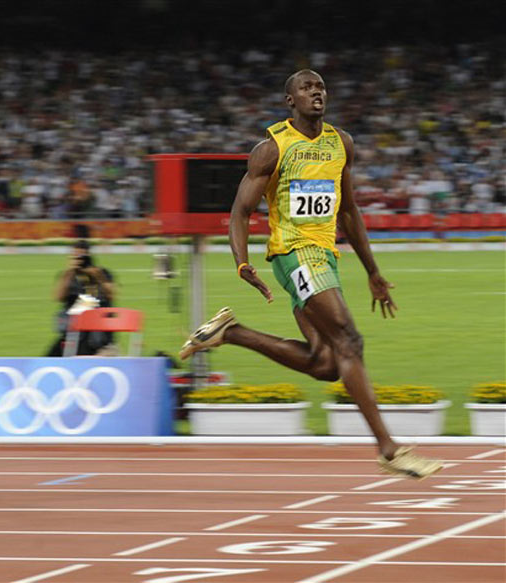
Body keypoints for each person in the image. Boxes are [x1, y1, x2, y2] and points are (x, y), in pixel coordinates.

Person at [180, 70, 442, 480]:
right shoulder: (272, 149)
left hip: (325, 257)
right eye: (306, 88)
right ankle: (389, 449)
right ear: (290, 101)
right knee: (349, 340)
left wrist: (373, 272)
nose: (316, 93)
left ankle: (231, 332)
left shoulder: (341, 143)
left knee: (327, 364)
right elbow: (241, 212)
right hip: (293, 255)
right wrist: (241, 262)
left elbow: (348, 211)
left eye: (320, 87)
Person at [46, 239, 116, 356]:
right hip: (72, 330)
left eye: (82, 256)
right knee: (50, 358)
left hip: (98, 331)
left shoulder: (102, 273)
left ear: (89, 255)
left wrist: (98, 277)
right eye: (75, 256)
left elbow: (111, 295)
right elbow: (58, 296)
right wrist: (70, 271)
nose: (80, 259)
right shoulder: (67, 275)